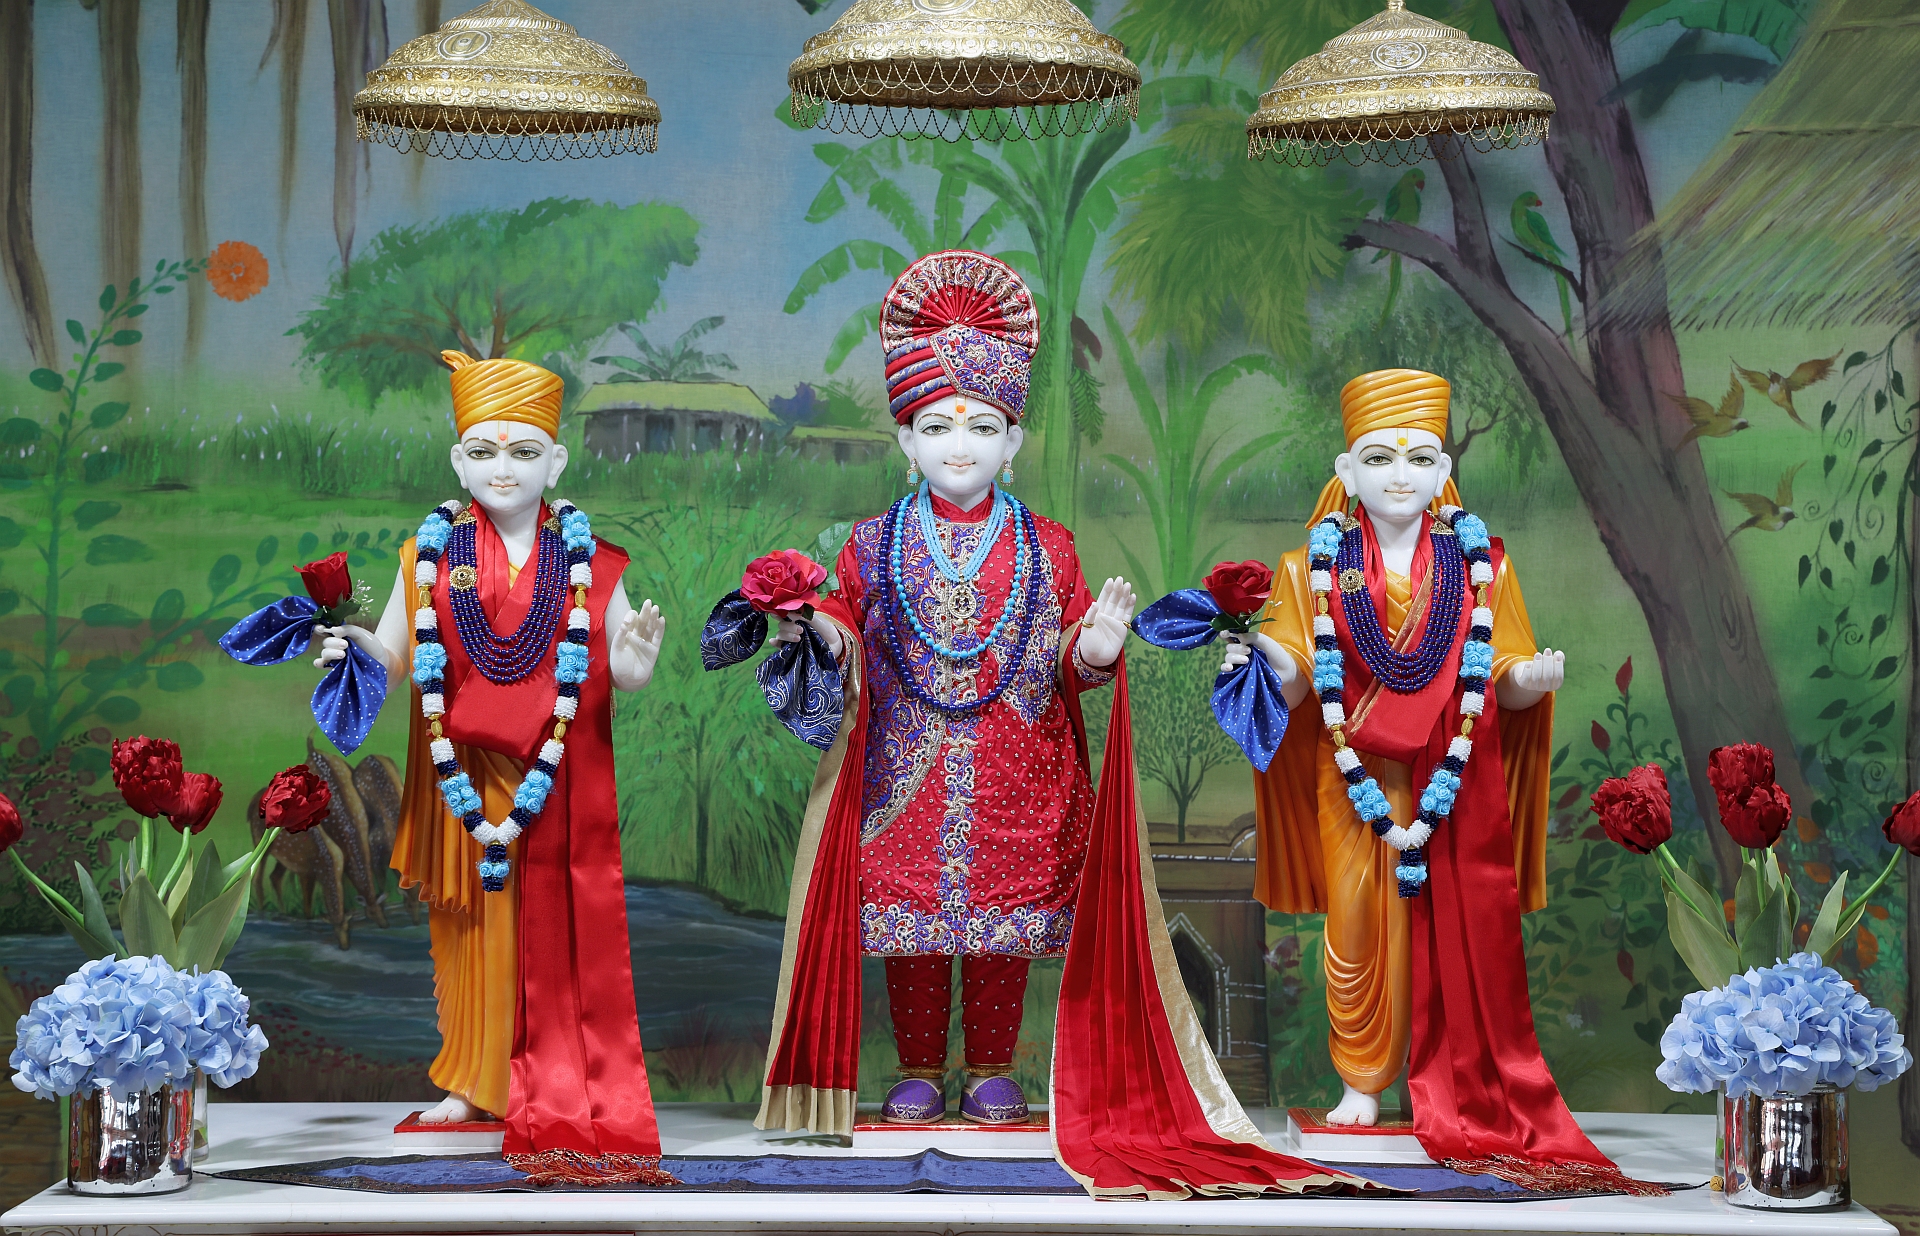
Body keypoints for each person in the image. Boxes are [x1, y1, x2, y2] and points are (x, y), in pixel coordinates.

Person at [725, 251, 1368, 1199]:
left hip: (1020, 763)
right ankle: (912, 1067)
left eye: (981, 426)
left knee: (999, 925)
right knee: (909, 927)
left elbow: (1070, 661)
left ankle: (989, 1064)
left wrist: (1100, 644)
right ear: (905, 440)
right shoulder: (869, 545)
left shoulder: (1047, 545)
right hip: (903, 765)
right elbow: (851, 644)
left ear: (1013, 439)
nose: (958, 444)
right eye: (936, 426)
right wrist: (813, 621)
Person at [1221, 369, 1652, 1192]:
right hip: (1351, 777)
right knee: (1357, 928)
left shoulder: (1481, 565)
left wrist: (1537, 679)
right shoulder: (1310, 565)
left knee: (1443, 924)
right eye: (1378, 458)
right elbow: (1296, 678)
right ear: (1345, 472)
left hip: (1451, 773)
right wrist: (1264, 658)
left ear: (1444, 467)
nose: (1398, 475)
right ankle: (1361, 1082)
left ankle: (1447, 1077)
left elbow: (1507, 669)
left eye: (1419, 458)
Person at [314, 352, 671, 1183]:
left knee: (545, 931)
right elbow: (398, 658)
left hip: (554, 780)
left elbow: (617, 666)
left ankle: (548, 1075)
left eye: (521, 452)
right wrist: (357, 645)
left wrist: (634, 660)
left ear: (556, 461)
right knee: (468, 928)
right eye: (482, 452)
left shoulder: (593, 561)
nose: (501, 469)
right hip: (459, 776)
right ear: (456, 461)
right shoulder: (428, 555)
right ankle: (472, 1083)